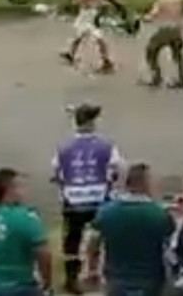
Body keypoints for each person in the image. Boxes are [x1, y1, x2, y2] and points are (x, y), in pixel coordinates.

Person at [51, 103, 125, 294]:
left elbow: (56, 172)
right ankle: (100, 273)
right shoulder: (106, 145)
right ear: (92, 122)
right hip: (99, 201)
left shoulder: (63, 147)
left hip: (73, 202)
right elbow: (116, 169)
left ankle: (71, 279)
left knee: (72, 241)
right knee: (104, 237)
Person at [85, 164, 174, 296]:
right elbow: (171, 249)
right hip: (151, 282)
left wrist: (92, 268)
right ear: (146, 184)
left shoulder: (106, 213)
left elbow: (93, 242)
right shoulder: (160, 215)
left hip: (116, 281)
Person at [0, 168, 54, 296]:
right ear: (11, 190)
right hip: (18, 286)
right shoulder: (27, 218)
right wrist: (47, 283)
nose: (25, 191)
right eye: (21, 186)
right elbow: (43, 254)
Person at [144, 0, 183, 88]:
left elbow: (154, 13)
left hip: (164, 30)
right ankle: (182, 78)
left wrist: (146, 18)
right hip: (176, 30)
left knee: (151, 50)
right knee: (177, 54)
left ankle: (156, 75)